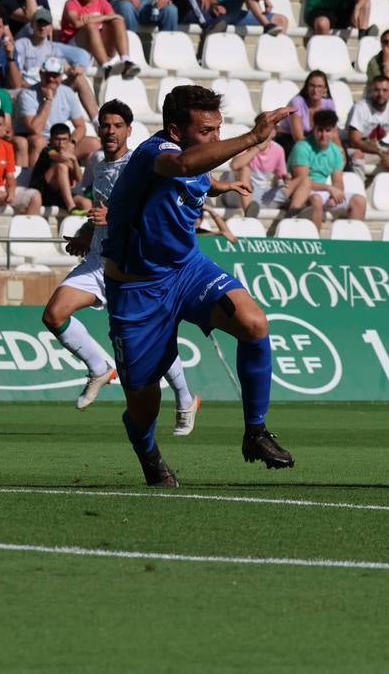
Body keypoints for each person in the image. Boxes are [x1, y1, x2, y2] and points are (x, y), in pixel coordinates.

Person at [100, 86, 297, 486]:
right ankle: (148, 452)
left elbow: (195, 176)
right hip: (139, 290)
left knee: (254, 323)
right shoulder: (154, 155)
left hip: (187, 270)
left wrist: (221, 185)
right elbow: (186, 165)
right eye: (206, 130)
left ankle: (255, 432)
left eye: (218, 129)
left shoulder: (196, 161)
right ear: (174, 130)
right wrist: (253, 138)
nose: (215, 137)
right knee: (143, 403)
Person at [50, 99, 201, 436]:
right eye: (105, 125)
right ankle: (99, 367)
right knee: (54, 314)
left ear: (129, 130)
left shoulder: (142, 162)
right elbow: (102, 209)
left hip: (132, 266)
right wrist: (87, 232)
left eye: (117, 125)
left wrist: (114, 217)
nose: (110, 131)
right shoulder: (95, 164)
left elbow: (151, 211)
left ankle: (184, 397)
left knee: (150, 343)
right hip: (97, 262)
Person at [288, 109, 365, 230]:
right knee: (316, 200)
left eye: (328, 131)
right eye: (320, 130)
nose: (323, 135)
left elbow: (338, 181)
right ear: (314, 129)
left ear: (334, 131)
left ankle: (353, 245)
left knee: (359, 201)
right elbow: (302, 181)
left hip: (322, 191)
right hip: (300, 193)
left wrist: (334, 197)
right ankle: (316, 243)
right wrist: (330, 189)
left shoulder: (335, 151)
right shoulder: (302, 147)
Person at [15, 56, 99, 166]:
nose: (51, 79)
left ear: (61, 77)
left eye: (55, 75)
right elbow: (35, 130)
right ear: (41, 74)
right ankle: (34, 180)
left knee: (95, 144)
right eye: (48, 75)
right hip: (38, 139)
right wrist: (48, 101)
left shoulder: (67, 92)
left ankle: (87, 179)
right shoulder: (27, 95)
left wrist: (72, 143)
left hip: (59, 141)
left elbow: (80, 126)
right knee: (38, 142)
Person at [16, 9, 98, 120]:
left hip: (50, 85)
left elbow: (65, 67)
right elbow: (16, 78)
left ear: (50, 27)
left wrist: (74, 70)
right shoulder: (21, 45)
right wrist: (36, 88)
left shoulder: (52, 47)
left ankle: (96, 121)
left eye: (46, 24)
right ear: (32, 25)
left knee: (79, 78)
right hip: (30, 88)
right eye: (39, 23)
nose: (42, 27)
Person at [58, 0, 140, 79]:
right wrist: (100, 17)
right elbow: (77, 23)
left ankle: (126, 61)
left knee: (117, 22)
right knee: (91, 26)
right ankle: (105, 66)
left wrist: (94, 18)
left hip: (98, 46)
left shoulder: (103, 2)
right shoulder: (71, 3)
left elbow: (115, 19)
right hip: (75, 47)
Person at [223, 135, 309, 220]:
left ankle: (291, 216)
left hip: (261, 196)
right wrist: (257, 148)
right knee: (244, 169)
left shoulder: (278, 149)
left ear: (274, 132)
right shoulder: (245, 143)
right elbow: (234, 165)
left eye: (270, 127)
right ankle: (249, 213)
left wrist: (285, 178)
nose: (267, 131)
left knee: (305, 180)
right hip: (238, 196)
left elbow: (281, 177)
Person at [345, 74, 389, 177]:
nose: (380, 94)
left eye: (385, 90)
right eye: (377, 90)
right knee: (357, 155)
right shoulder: (360, 107)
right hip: (357, 147)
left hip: (378, 146)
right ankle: (358, 190)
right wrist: (380, 152)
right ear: (371, 92)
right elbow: (354, 141)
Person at [29, 122, 92, 216]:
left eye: (64, 139)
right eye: (57, 139)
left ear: (69, 140)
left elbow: (79, 178)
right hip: (41, 194)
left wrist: (74, 160)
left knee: (86, 203)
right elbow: (58, 157)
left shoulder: (71, 156)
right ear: (50, 140)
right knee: (61, 166)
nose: (60, 143)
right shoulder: (47, 151)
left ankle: (84, 229)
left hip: (58, 196)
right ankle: (71, 207)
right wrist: (71, 159)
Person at [276, 69, 335, 154]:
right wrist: (316, 153)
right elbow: (298, 137)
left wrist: (340, 151)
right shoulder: (296, 102)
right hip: (289, 139)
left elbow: (334, 134)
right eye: (312, 86)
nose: (315, 90)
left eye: (319, 86)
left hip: (316, 138)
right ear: (307, 87)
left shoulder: (329, 104)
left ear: (325, 89)